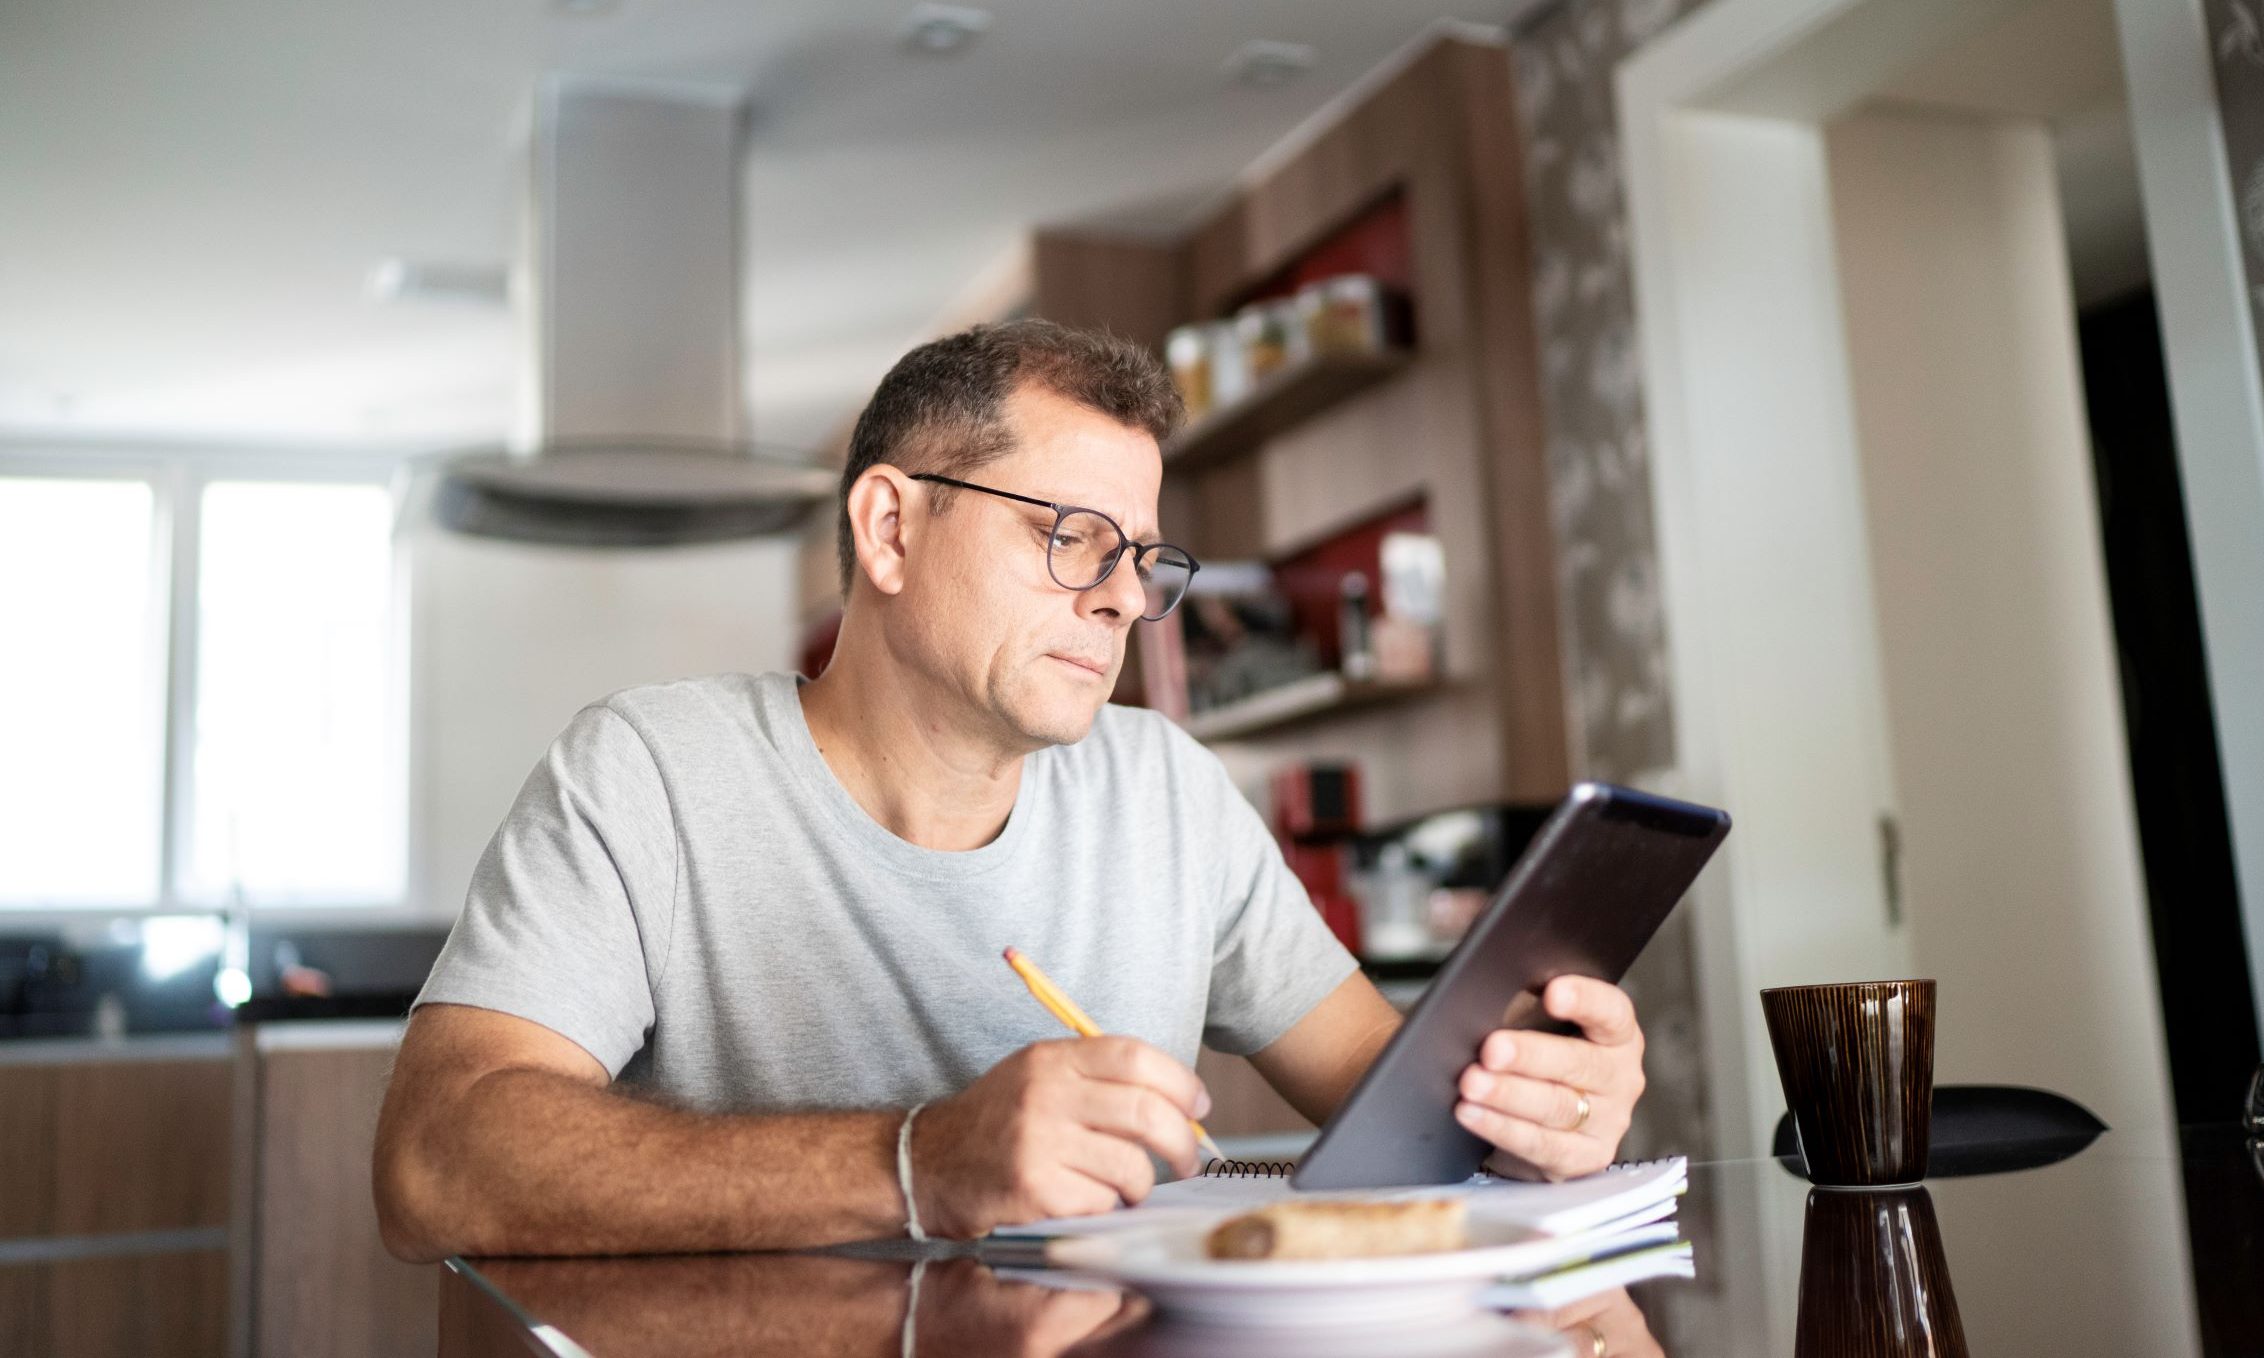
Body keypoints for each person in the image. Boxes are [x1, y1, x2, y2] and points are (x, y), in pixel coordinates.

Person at [373, 320, 1648, 1260]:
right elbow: (435, 1159)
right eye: (1072, 535)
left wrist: (1527, 1101)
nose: (1119, 596)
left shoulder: (1167, 792)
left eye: (1144, 556)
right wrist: (919, 1159)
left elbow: (1394, 1091)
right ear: (889, 530)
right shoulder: (648, 774)